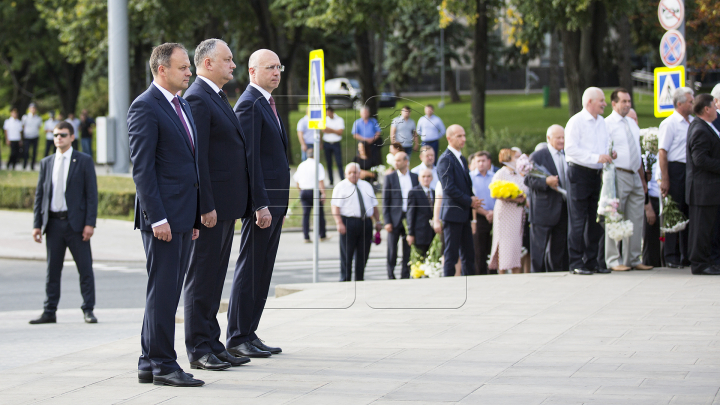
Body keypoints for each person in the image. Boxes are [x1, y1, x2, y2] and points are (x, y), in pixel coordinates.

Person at [128, 43, 203, 387]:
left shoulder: (183, 104)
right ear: (162, 70)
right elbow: (143, 170)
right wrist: (158, 218)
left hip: (183, 217)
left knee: (166, 290)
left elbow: (190, 165)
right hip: (163, 221)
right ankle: (163, 364)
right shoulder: (145, 106)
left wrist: (195, 216)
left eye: (189, 67)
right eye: (184, 67)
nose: (190, 72)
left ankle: (147, 361)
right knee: (163, 291)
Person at [182, 39, 252, 371]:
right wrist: (204, 204)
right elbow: (199, 159)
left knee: (215, 277)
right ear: (207, 63)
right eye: (228, 59)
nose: (233, 65)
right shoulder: (197, 97)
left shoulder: (216, 96)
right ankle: (198, 347)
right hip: (211, 208)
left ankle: (212, 341)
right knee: (202, 277)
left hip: (225, 206)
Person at [227, 49, 289, 359]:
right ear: (253, 72)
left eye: (279, 66)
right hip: (262, 206)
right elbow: (248, 160)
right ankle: (237, 335)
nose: (277, 72)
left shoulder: (266, 102)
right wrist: (259, 203)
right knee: (250, 268)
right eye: (270, 67)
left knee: (262, 271)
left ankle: (249, 332)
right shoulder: (250, 104)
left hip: (275, 204)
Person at [30, 121, 98, 324]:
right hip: (53, 223)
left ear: (72, 137)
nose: (58, 137)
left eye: (63, 134)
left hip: (76, 225)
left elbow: (91, 195)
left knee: (85, 269)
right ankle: (49, 311)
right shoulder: (47, 162)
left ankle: (88, 309)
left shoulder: (83, 160)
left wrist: (90, 223)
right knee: (52, 271)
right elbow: (40, 195)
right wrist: (36, 224)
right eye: (56, 134)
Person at [565, 87, 615, 275]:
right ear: (589, 102)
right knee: (578, 220)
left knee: (596, 220)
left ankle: (592, 261)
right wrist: (596, 157)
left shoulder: (602, 122)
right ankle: (576, 262)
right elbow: (570, 150)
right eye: (601, 100)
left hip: (597, 175)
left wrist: (610, 153)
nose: (605, 104)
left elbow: (605, 144)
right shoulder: (576, 122)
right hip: (579, 173)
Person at [604, 88, 653, 271]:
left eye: (629, 101)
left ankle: (633, 257)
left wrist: (642, 179)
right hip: (618, 173)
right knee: (615, 215)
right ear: (614, 103)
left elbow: (637, 152)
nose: (627, 105)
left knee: (636, 217)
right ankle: (613, 260)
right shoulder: (607, 123)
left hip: (634, 173)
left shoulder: (632, 123)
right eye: (623, 101)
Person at [437, 124, 483, 276]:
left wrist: (472, 199)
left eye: (464, 135)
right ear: (449, 138)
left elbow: (465, 185)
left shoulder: (462, 158)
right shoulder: (445, 160)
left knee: (469, 254)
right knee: (451, 254)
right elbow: (449, 188)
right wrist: (469, 201)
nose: (463, 139)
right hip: (452, 214)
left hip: (464, 213)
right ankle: (448, 284)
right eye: (459, 136)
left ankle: (470, 283)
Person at [658, 87, 694, 268]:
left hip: (691, 169)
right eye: (690, 101)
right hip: (675, 169)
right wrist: (665, 178)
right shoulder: (670, 123)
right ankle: (670, 255)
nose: (693, 103)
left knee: (688, 211)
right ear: (679, 104)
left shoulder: (693, 122)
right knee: (674, 211)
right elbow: (662, 152)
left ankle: (686, 254)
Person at [525, 125, 569, 273]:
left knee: (558, 247)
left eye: (563, 137)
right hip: (543, 210)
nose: (562, 140)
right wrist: (546, 182)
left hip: (563, 208)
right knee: (539, 249)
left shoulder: (568, 154)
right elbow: (528, 180)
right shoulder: (538, 156)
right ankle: (537, 275)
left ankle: (556, 273)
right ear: (549, 138)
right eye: (558, 138)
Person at [686, 94, 720, 275]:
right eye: (714, 106)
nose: (716, 109)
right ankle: (699, 264)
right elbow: (699, 159)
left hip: (709, 189)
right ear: (706, 109)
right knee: (701, 229)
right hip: (702, 190)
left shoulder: (705, 126)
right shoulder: (700, 128)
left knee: (708, 229)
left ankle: (707, 261)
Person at [331, 162, 382, 281]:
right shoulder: (341, 187)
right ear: (345, 174)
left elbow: (374, 205)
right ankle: (345, 279)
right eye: (350, 172)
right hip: (349, 222)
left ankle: (359, 279)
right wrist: (339, 223)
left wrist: (378, 221)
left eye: (356, 172)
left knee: (363, 253)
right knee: (347, 254)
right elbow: (335, 207)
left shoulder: (366, 186)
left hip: (365, 223)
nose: (353, 175)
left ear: (360, 173)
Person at [488, 149, 528, 274]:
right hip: (505, 212)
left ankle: (516, 268)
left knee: (516, 242)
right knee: (504, 243)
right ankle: (502, 270)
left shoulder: (517, 174)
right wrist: (513, 198)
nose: (517, 159)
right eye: (514, 157)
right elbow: (494, 193)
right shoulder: (501, 173)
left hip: (517, 213)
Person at [383, 152, 419, 279]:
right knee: (392, 247)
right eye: (395, 161)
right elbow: (385, 201)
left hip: (410, 216)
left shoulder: (415, 177)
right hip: (395, 217)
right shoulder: (390, 178)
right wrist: (387, 221)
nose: (395, 163)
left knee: (408, 246)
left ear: (406, 162)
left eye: (398, 160)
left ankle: (405, 273)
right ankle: (390, 274)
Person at [294, 148, 328, 243]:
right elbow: (320, 180)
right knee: (319, 214)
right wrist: (323, 193)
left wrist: (300, 190)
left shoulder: (301, 165)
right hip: (315, 191)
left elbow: (296, 180)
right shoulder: (318, 165)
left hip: (304, 191)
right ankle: (322, 235)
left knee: (306, 214)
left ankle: (306, 236)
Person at [470, 151, 496, 275]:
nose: (481, 163)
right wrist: (485, 213)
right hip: (479, 216)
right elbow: (471, 199)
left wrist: (493, 212)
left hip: (495, 216)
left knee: (493, 247)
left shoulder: (495, 177)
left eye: (483, 161)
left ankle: (493, 273)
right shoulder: (470, 178)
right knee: (479, 249)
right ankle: (480, 275)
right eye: (478, 161)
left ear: (488, 162)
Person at [406, 169, 435, 256]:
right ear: (419, 178)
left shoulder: (434, 192)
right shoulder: (414, 192)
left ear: (432, 178)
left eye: (428, 176)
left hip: (433, 232)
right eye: (423, 176)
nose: (426, 179)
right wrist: (410, 233)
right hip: (420, 233)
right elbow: (410, 214)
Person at [643, 159, 662, 267]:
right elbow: (645, 186)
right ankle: (649, 262)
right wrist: (648, 207)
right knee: (650, 238)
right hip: (651, 200)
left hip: (662, 199)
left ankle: (659, 263)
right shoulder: (647, 156)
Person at [323, 106, 344, 185]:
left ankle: (342, 178)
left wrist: (330, 129)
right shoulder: (325, 119)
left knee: (339, 162)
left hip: (336, 143)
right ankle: (331, 181)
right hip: (327, 143)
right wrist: (334, 130)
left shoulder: (339, 119)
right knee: (329, 163)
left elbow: (340, 132)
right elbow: (324, 130)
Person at [22, 103, 43, 170]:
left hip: (35, 136)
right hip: (27, 136)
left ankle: (32, 166)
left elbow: (39, 127)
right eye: (32, 108)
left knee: (34, 152)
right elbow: (23, 126)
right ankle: (24, 165)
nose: (33, 110)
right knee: (26, 151)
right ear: (29, 109)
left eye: (34, 108)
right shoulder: (25, 117)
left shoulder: (38, 118)